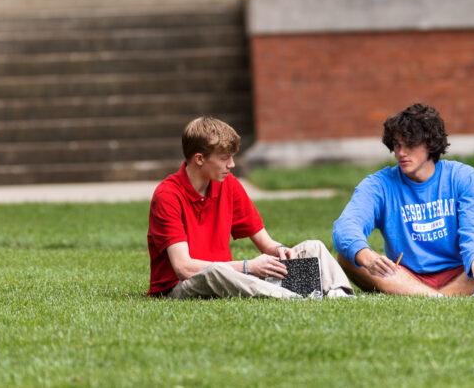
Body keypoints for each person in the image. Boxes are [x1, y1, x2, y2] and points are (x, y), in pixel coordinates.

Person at [332, 103, 474, 297]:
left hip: (461, 273)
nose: (401, 153)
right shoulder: (379, 184)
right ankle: (442, 298)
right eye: (397, 145)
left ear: (430, 143)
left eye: (409, 144)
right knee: (349, 256)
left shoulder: (462, 176)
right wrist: (367, 257)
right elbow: (346, 226)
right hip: (403, 276)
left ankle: (434, 297)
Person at [147, 116, 355, 299]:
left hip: (231, 276)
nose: (232, 164)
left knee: (313, 247)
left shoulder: (228, 184)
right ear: (199, 159)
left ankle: (339, 292)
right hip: (182, 286)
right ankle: (294, 297)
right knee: (215, 271)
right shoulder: (167, 196)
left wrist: (281, 251)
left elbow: (266, 244)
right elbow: (183, 267)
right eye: (224, 158)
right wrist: (248, 267)